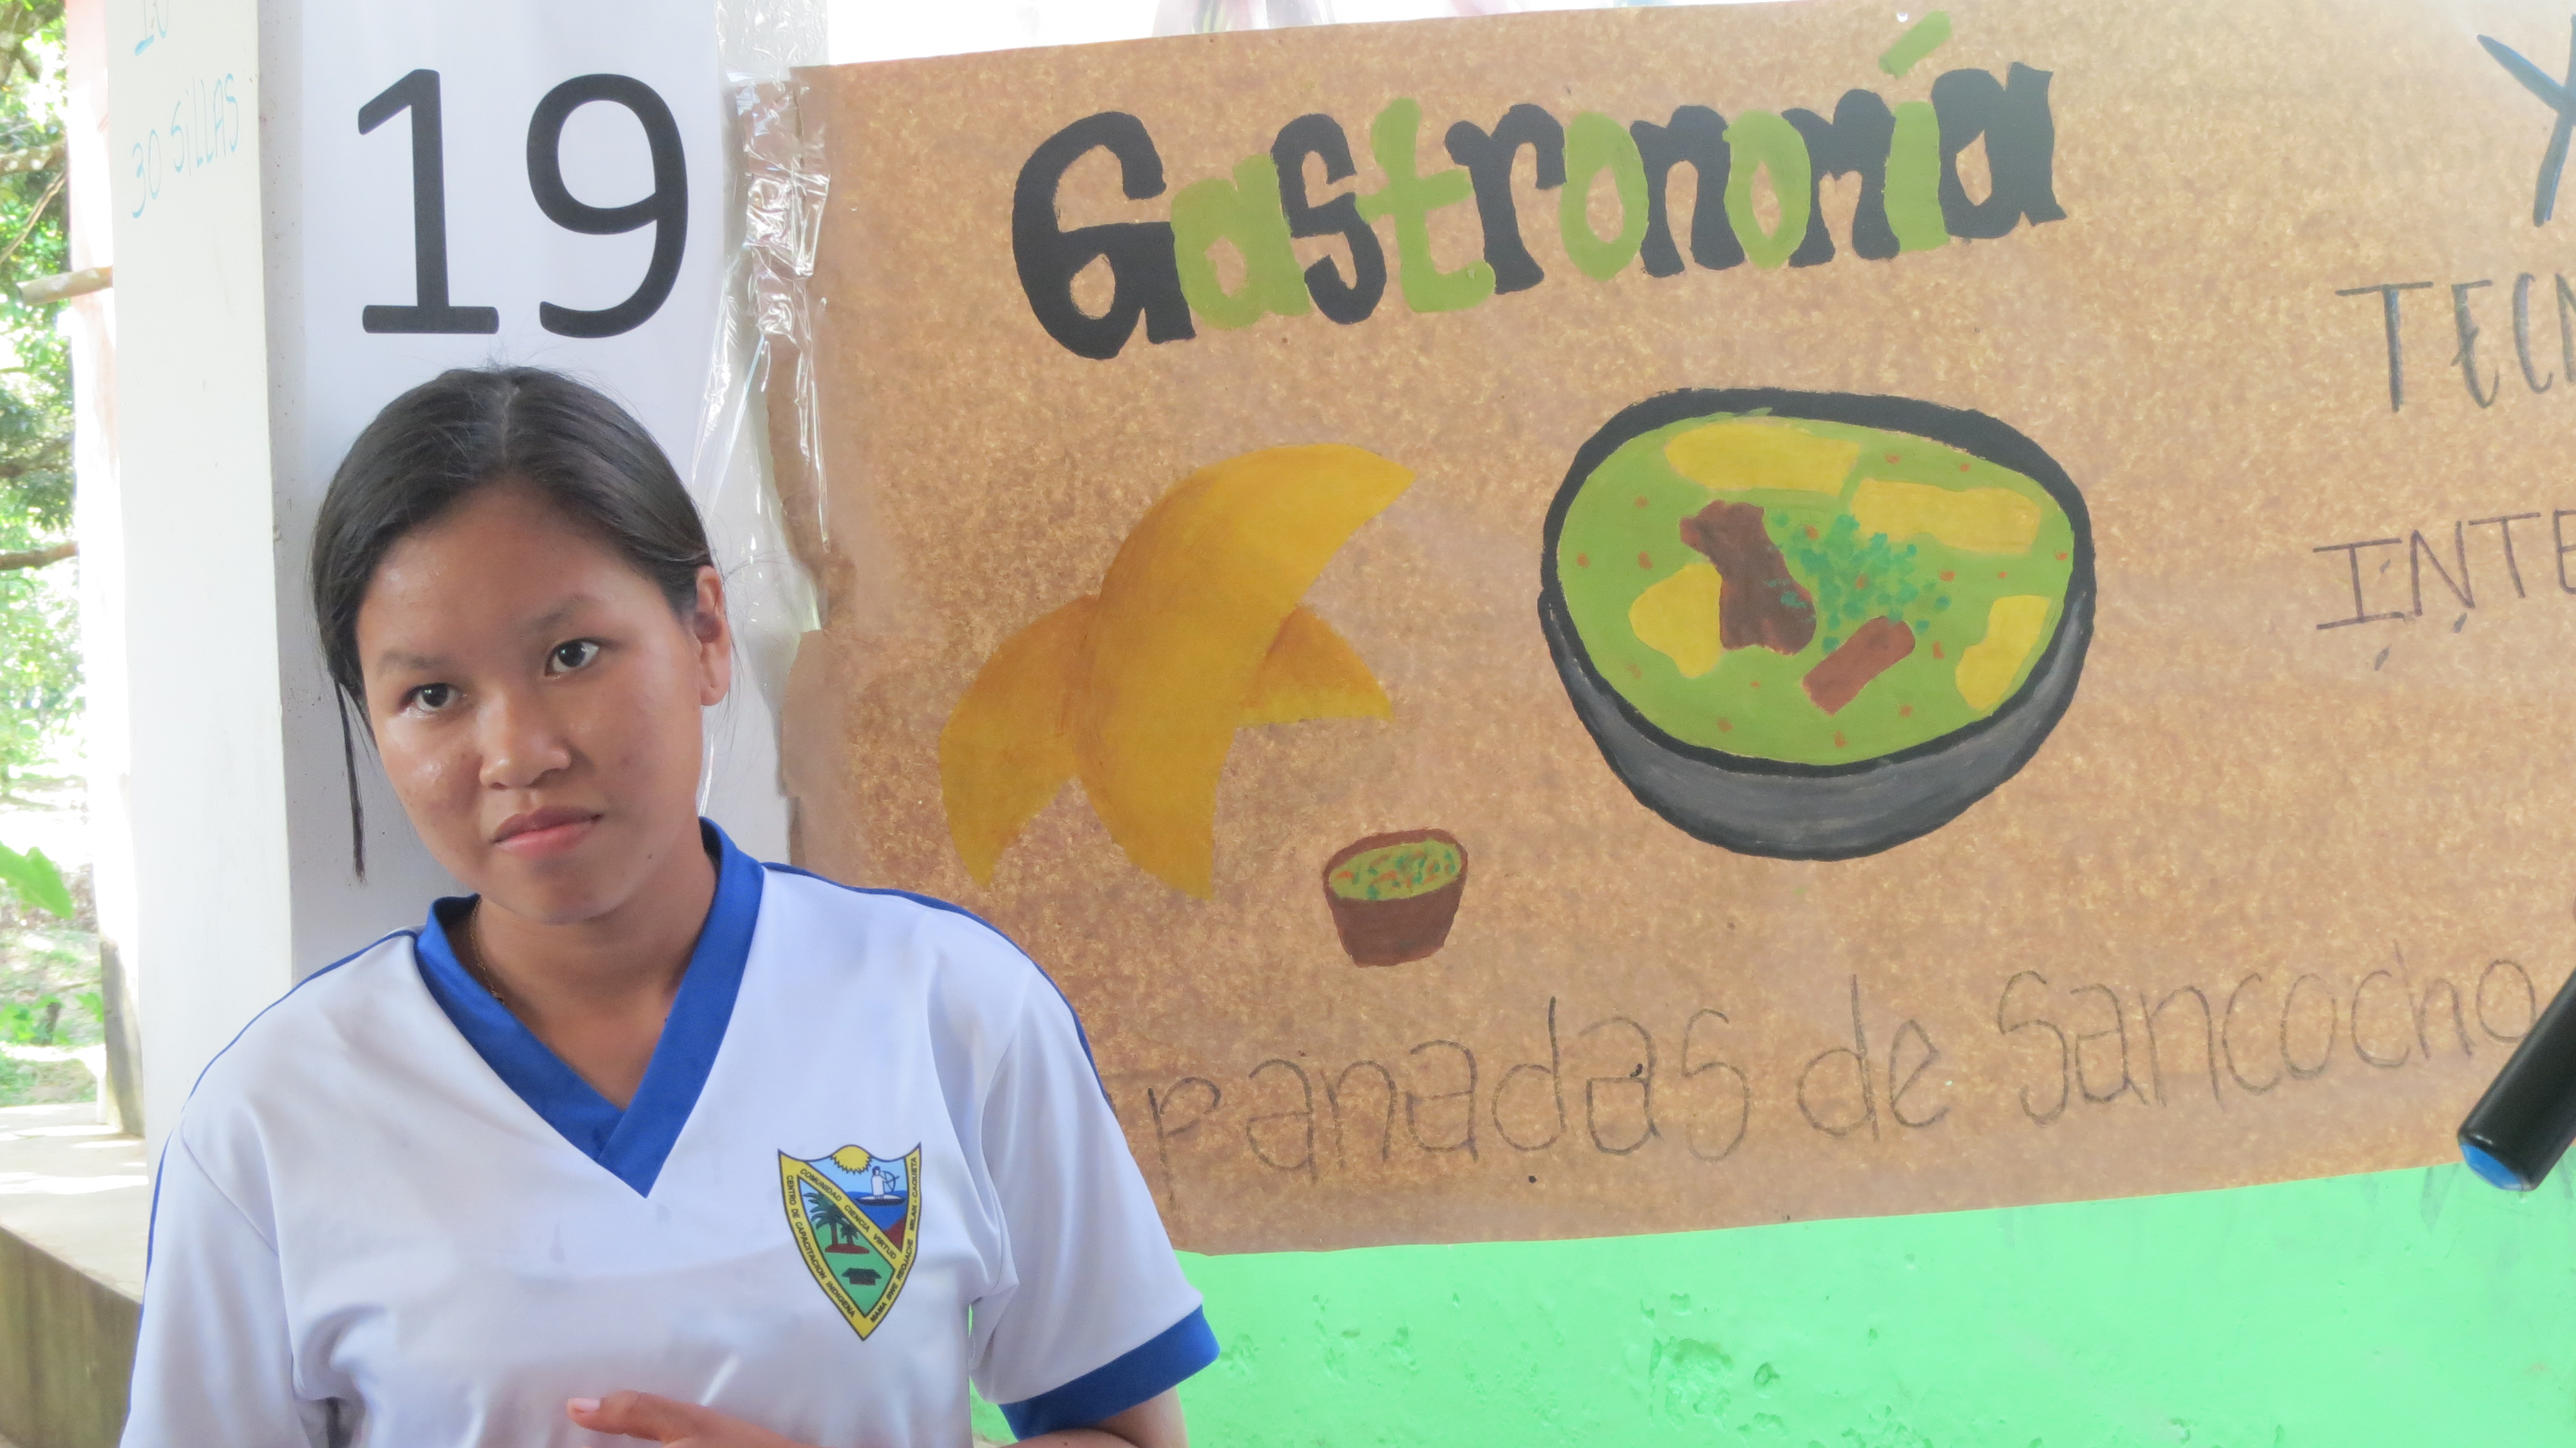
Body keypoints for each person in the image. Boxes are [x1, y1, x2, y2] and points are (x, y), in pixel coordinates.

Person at [118, 367, 1215, 1448]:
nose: (518, 753)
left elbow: (1126, 1432)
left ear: (706, 634)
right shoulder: (273, 1117)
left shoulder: (953, 1009)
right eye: (433, 695)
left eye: (572, 655)